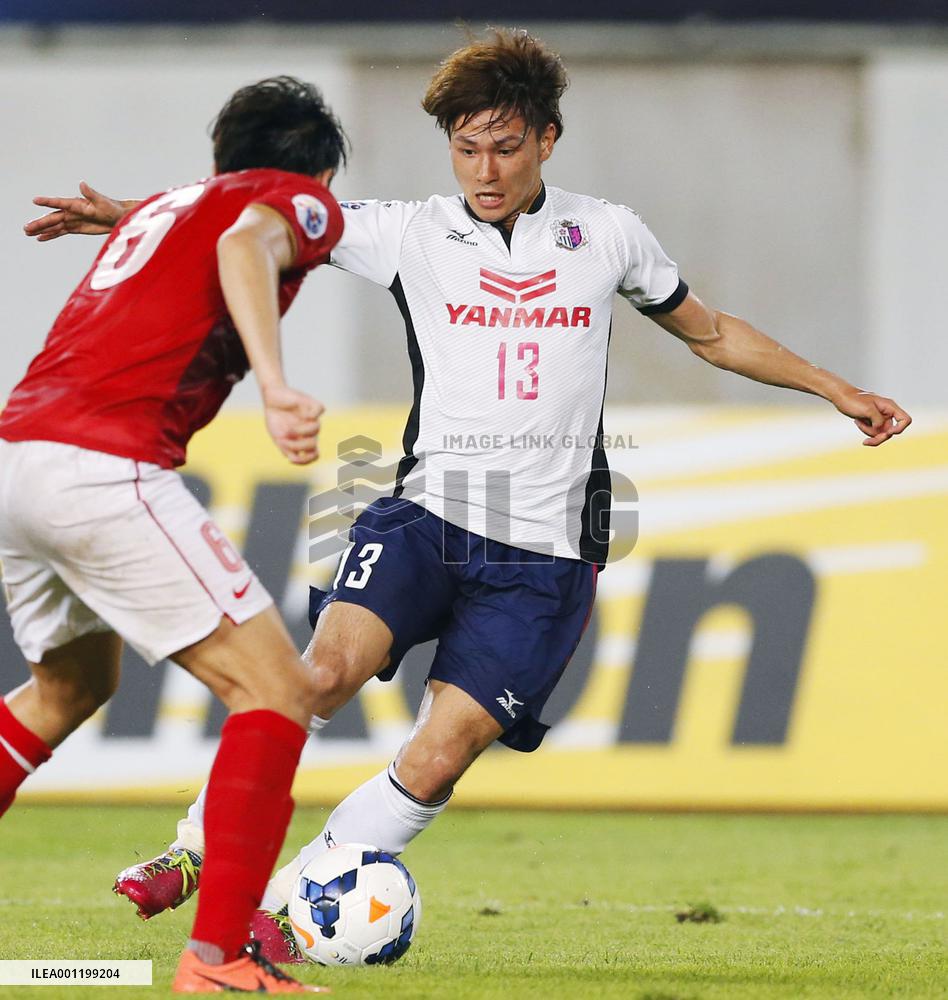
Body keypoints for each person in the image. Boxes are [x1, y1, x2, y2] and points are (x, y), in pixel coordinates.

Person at [23, 30, 912, 966]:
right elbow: (261, 218)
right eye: (466, 147)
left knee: (441, 756)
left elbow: (714, 331)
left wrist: (836, 388)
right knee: (312, 677)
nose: (484, 169)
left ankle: (295, 898)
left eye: (505, 146)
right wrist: (131, 212)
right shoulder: (409, 232)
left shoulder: (608, 233)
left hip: (546, 553)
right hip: (426, 516)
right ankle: (193, 853)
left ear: (548, 139)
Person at [4, 76, 348, 992]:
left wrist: (126, 211)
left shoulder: (166, 207)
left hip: (16, 456)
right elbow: (244, 241)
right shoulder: (299, 201)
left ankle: (217, 955)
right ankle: (218, 959)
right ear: (312, 171)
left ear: (218, 157)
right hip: (101, 466)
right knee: (280, 690)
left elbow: (207, 223)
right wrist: (274, 383)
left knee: (67, 688)